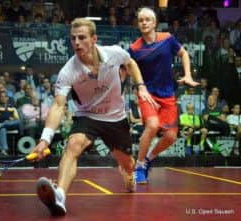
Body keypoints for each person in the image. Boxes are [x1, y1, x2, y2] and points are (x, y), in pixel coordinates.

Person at [29, 17, 155, 216]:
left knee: (127, 164)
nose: (76, 43)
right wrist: (45, 139)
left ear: (94, 39)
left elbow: (130, 63)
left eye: (81, 38)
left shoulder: (114, 53)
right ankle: (60, 195)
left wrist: (140, 86)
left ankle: (128, 175)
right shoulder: (68, 71)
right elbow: (58, 105)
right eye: (73, 39)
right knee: (73, 145)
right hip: (87, 116)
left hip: (115, 118)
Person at [128, 7, 200, 184]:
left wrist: (188, 75)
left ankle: (148, 160)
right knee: (152, 125)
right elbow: (128, 68)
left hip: (167, 95)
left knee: (170, 137)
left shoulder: (167, 39)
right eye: (141, 20)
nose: (144, 22)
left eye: (147, 20)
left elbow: (183, 53)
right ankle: (138, 166)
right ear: (138, 24)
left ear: (154, 23)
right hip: (147, 95)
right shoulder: (134, 48)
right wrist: (138, 86)